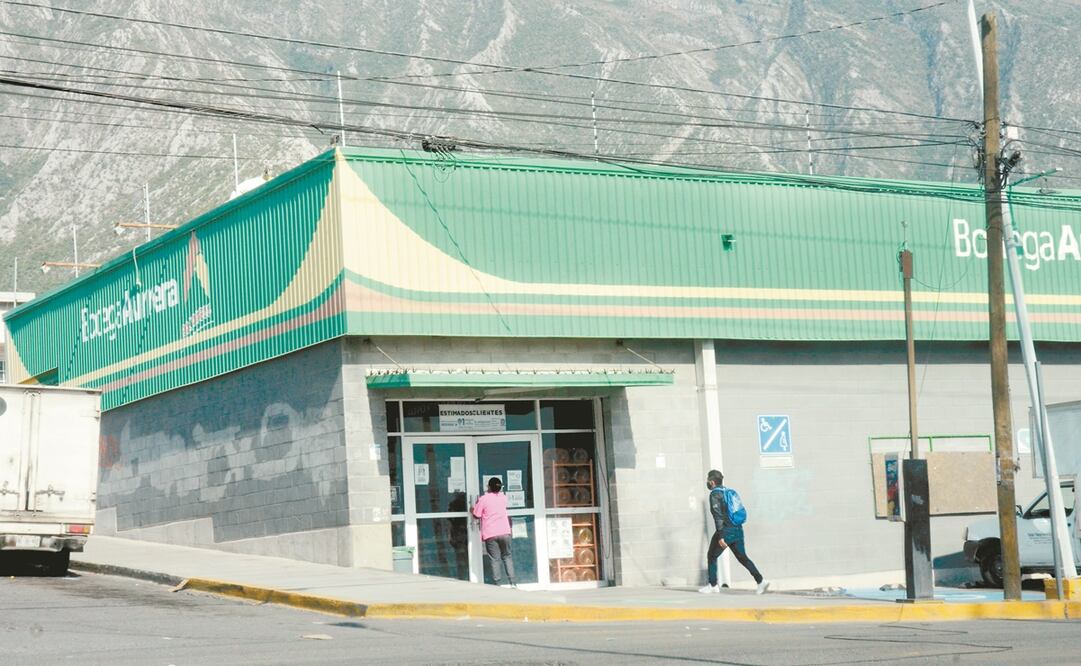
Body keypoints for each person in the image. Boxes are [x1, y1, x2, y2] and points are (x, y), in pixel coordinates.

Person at [699, 469, 769, 595]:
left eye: (708, 480)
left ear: (712, 482)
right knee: (743, 558)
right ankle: (761, 581)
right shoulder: (728, 491)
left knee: (712, 556)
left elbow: (718, 516)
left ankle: (713, 585)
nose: (707, 482)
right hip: (738, 529)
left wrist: (721, 536)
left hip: (726, 531)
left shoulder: (715, 494)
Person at [472, 477, 515, 587]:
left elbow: (476, 515)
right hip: (505, 532)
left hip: (491, 533)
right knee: (507, 557)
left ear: (489, 487)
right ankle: (513, 583)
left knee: (495, 559)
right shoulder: (503, 498)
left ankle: (498, 584)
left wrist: (472, 509)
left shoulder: (484, 499)